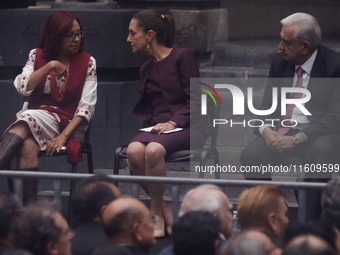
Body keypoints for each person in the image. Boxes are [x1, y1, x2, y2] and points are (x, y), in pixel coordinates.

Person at [240, 12, 340, 221]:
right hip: (283, 131)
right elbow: (266, 107)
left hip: (318, 134)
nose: (279, 46)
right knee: (251, 155)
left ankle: (311, 223)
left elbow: (334, 119)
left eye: (286, 42)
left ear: (305, 46)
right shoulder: (280, 63)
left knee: (323, 153)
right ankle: (274, 212)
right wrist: (265, 130)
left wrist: (296, 139)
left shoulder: (334, 66)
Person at [126, 10, 210, 237]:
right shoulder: (146, 68)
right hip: (159, 128)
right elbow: (152, 107)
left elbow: (196, 99)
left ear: (150, 35)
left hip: (191, 126)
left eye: (133, 33)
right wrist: (157, 124)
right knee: (133, 152)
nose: (128, 39)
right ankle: (164, 206)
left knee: (153, 150)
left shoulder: (183, 57)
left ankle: (154, 212)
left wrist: (173, 122)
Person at [0, 10, 97, 204]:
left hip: (67, 124)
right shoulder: (36, 55)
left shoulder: (88, 62)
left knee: (27, 117)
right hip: (35, 121)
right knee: (27, 146)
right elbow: (22, 87)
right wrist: (50, 65)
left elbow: (86, 108)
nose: (76, 39)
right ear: (55, 36)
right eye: (70, 35)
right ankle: (30, 215)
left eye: (79, 33)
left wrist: (63, 136)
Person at [158, 185, 233, 255]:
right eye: (228, 210)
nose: (232, 217)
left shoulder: (167, 252)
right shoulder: (234, 251)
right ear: (214, 218)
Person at [71, 174, 122, 255]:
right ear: (105, 211)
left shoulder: (64, 244)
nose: (124, 209)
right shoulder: (116, 248)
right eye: (120, 203)